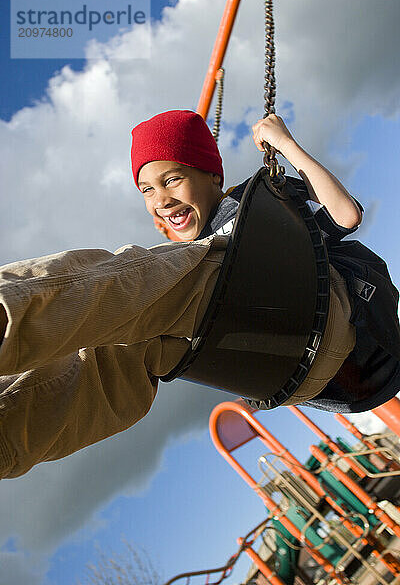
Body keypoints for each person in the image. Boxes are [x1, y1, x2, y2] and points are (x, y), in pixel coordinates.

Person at [0, 110, 397, 480]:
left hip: (325, 321)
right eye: (146, 190)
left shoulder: (254, 206)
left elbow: (346, 215)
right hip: (291, 371)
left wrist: (287, 145)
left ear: (213, 176)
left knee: (141, 274)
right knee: (123, 346)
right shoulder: (192, 257)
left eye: (172, 180)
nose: (160, 199)